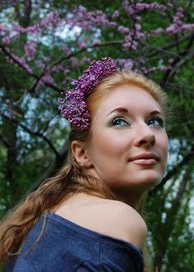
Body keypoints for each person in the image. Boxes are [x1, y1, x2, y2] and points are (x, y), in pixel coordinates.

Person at [0, 57, 169, 271]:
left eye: (154, 121)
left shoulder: (47, 222)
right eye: (119, 121)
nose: (147, 135)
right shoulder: (118, 219)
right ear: (81, 153)